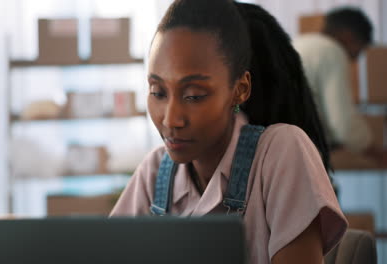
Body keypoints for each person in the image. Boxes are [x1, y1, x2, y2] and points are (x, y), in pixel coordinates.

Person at [111, 1, 347, 263]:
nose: (171, 119)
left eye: (194, 96)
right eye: (158, 92)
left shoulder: (282, 150)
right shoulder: (155, 173)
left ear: (240, 89)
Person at [293, 7, 384, 161]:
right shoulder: (332, 51)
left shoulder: (300, 43)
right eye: (359, 50)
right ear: (348, 36)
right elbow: (343, 123)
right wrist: (377, 154)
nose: (356, 59)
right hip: (299, 152)